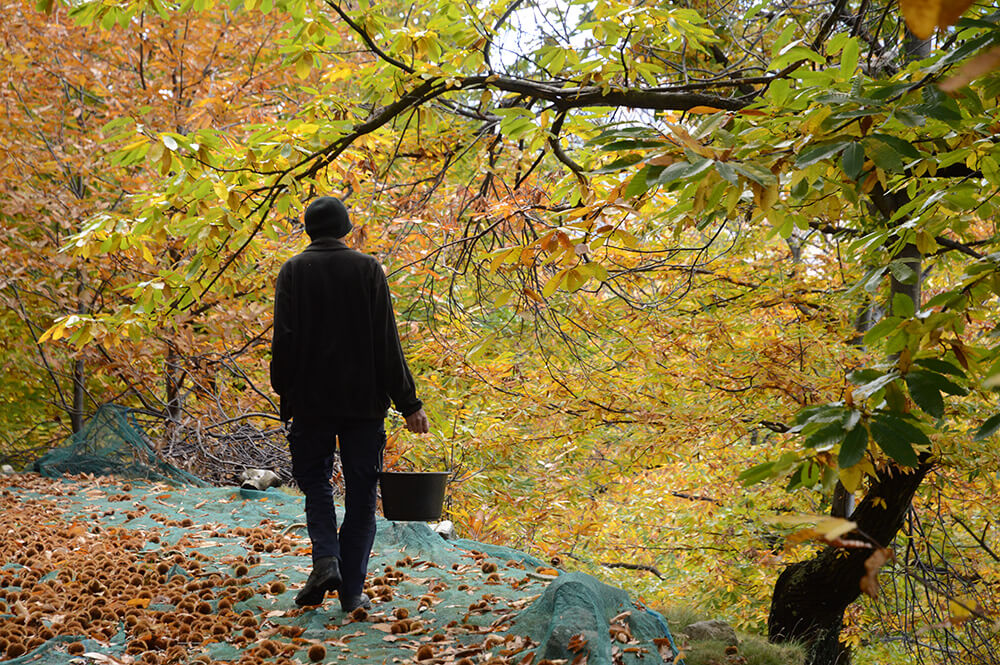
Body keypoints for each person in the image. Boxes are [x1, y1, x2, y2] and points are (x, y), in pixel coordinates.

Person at [269, 196, 429, 612]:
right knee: (361, 495)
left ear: (308, 230)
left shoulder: (292, 271)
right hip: (363, 405)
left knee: (317, 485)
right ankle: (351, 590)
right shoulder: (367, 269)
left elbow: (283, 340)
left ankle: (325, 559)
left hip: (310, 404)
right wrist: (408, 402)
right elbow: (386, 340)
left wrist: (284, 390)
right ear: (345, 228)